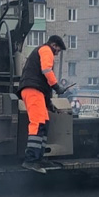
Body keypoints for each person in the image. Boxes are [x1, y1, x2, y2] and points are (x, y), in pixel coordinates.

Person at [18, 35, 67, 172]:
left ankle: (39, 158)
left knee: (44, 122)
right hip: (33, 91)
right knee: (38, 123)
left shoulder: (42, 51)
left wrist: (48, 102)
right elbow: (46, 70)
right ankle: (31, 160)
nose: (57, 54)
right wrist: (57, 87)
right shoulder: (46, 50)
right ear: (54, 45)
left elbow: (41, 79)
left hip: (36, 91)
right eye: (58, 50)